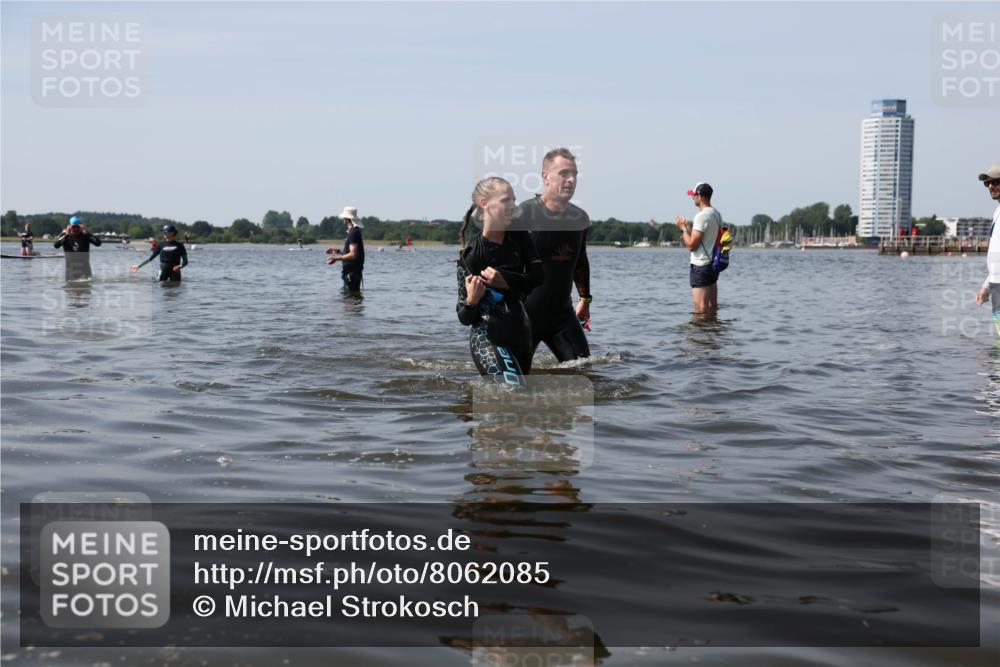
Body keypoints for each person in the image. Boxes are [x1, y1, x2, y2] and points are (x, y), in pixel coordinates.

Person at [457, 176, 543, 384]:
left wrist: (505, 280)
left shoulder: (519, 238)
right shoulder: (472, 255)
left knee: (522, 400)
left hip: (521, 332)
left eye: (514, 200)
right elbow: (464, 317)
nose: (513, 206)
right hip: (488, 336)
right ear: (485, 203)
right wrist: (472, 301)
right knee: (512, 391)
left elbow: (539, 277)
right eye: (506, 201)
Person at [516, 147, 592, 363]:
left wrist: (585, 300)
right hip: (524, 316)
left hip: (562, 315)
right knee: (515, 384)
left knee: (584, 372)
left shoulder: (579, 219)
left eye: (574, 174)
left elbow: (580, 261)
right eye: (563, 173)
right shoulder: (524, 214)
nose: (570, 180)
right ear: (545, 177)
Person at [675, 182, 723, 315]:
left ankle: (700, 335)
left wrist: (683, 228)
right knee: (712, 307)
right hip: (713, 264)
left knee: (700, 309)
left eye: (694, 195)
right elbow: (705, 239)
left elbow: (692, 246)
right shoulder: (717, 214)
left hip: (700, 265)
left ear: (700, 196)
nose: (692, 198)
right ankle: (712, 332)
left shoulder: (701, 216)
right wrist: (688, 229)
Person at [973, 165, 1000, 334]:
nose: (990, 186)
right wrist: (987, 286)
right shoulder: (997, 211)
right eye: (987, 183)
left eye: (996, 182)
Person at [325, 206, 365, 294]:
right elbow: (352, 253)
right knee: (351, 301)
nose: (343, 218)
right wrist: (338, 251)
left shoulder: (353, 232)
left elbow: (353, 255)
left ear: (347, 219)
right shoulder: (353, 231)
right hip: (352, 273)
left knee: (350, 301)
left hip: (352, 273)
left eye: (344, 217)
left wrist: (336, 258)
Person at [53, 215, 102, 280]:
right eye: (73, 227)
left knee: (86, 288)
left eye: (77, 227)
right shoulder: (65, 236)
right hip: (70, 271)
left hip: (85, 270)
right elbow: (56, 245)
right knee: (70, 288)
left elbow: (98, 243)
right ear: (69, 227)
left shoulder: (85, 236)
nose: (75, 229)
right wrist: (66, 234)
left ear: (81, 227)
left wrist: (86, 232)